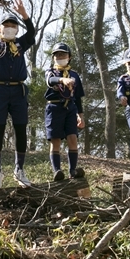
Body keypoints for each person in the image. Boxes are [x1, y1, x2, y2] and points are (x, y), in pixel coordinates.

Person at [0, 0, 36, 191]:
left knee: (20, 128)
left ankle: (19, 169)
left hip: (19, 90)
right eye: (6, 25)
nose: (10, 28)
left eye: (13, 25)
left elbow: (31, 33)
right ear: (0, 29)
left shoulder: (20, 45)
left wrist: (24, 15)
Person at [44, 42, 86, 181]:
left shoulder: (74, 75)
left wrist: (80, 116)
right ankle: (57, 171)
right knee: (55, 140)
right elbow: (50, 81)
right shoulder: (51, 71)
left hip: (70, 108)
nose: (60, 56)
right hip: (54, 108)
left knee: (72, 138)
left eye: (63, 54)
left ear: (69, 57)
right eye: (57, 54)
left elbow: (78, 97)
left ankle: (73, 170)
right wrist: (62, 80)